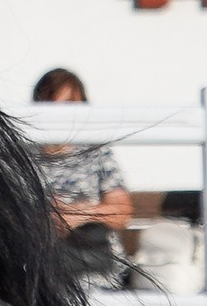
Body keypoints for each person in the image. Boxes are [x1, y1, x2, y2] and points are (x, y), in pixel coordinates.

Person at [31, 69, 132, 236]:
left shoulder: (96, 152)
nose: (61, 113)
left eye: (69, 104)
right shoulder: (23, 158)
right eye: (51, 104)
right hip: (44, 255)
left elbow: (122, 213)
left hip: (95, 256)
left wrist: (81, 213)